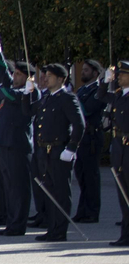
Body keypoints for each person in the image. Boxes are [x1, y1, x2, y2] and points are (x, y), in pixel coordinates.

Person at [0, 34, 38, 236]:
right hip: (4, 144)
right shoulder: (14, 87)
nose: (14, 77)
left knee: (18, 188)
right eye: (15, 73)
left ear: (27, 77)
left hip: (18, 145)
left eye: (18, 74)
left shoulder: (29, 92)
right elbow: (2, 71)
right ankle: (11, 222)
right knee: (9, 186)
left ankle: (18, 224)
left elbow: (9, 94)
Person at [31, 62, 85, 242]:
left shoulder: (67, 98)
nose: (45, 78)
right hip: (44, 151)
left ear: (61, 79)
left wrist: (71, 148)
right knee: (50, 192)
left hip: (59, 150)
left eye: (50, 75)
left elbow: (79, 124)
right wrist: (26, 94)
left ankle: (60, 231)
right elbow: (28, 111)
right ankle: (52, 228)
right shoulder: (47, 98)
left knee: (61, 192)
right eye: (45, 74)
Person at [73, 59, 105, 222]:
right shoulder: (81, 90)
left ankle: (92, 211)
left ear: (95, 73)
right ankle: (83, 210)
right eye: (83, 69)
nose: (82, 72)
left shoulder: (99, 90)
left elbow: (87, 109)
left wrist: (72, 100)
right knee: (81, 176)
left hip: (91, 137)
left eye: (86, 70)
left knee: (91, 176)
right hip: (81, 138)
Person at [108, 61, 129, 247]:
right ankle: (125, 233)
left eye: (123, 74)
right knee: (123, 193)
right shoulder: (119, 96)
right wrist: (103, 83)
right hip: (119, 147)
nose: (119, 77)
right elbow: (101, 97)